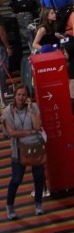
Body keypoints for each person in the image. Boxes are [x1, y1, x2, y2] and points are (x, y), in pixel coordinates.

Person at [3, 84, 45, 219]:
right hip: (18, 150)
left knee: (39, 177)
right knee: (16, 179)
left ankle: (38, 204)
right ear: (15, 96)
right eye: (19, 95)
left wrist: (32, 109)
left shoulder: (34, 107)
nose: (21, 98)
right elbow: (11, 132)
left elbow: (38, 126)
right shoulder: (8, 112)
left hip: (35, 147)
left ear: (28, 97)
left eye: (24, 95)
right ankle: (9, 206)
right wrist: (29, 132)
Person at [0, 0, 13, 97]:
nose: (3, 0)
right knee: (4, 67)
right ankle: (3, 90)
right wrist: (7, 47)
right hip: (1, 46)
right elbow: (2, 32)